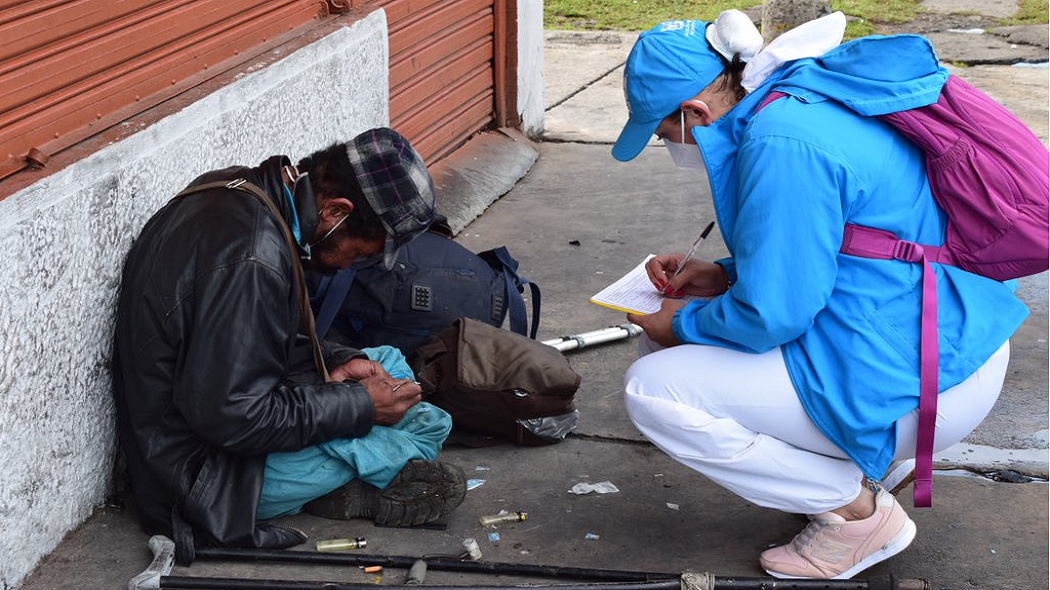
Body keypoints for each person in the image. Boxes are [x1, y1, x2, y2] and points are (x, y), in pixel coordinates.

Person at [611, 11, 1028, 580]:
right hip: (945, 337)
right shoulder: (805, 93)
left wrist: (679, 325)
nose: (671, 147)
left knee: (654, 385)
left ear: (695, 112)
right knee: (678, 355)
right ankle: (862, 470)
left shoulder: (779, 144)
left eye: (665, 135)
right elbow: (854, 241)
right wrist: (726, 275)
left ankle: (857, 517)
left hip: (926, 383)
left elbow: (776, 314)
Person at [112, 127, 466, 562]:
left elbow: (252, 337)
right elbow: (234, 418)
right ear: (336, 210)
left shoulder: (245, 190)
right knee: (423, 423)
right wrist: (359, 407)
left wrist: (336, 360)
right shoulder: (253, 260)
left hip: (202, 414)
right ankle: (350, 482)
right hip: (196, 477)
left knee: (386, 362)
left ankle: (354, 468)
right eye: (359, 254)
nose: (351, 267)